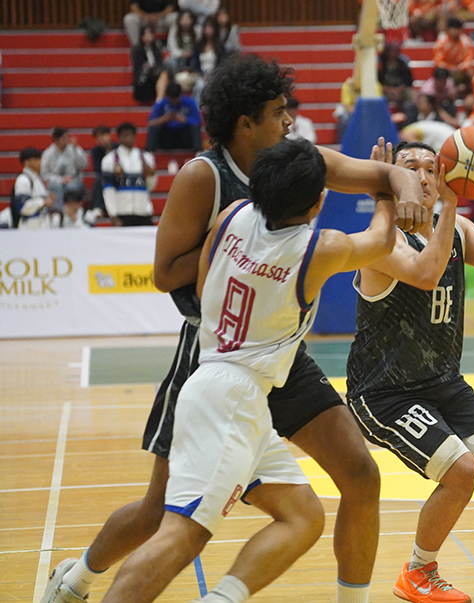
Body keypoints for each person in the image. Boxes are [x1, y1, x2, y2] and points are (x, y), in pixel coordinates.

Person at [39, 54, 429, 603]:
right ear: (245, 123)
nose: (289, 120)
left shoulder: (285, 168)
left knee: (359, 476)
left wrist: (406, 188)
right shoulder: (204, 177)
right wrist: (264, 258)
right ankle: (76, 580)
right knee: (162, 513)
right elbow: (164, 273)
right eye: (278, 111)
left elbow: (382, 172)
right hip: (213, 350)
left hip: (275, 354)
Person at [94, 139, 398, 603]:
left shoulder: (230, 215)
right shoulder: (320, 248)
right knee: (182, 534)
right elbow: (382, 240)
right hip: (235, 396)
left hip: (213, 375)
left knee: (303, 517)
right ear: (319, 202)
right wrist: (384, 191)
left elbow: (202, 285)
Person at [347, 141, 474, 603]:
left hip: (442, 381)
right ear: (392, 179)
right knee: (461, 471)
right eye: (409, 167)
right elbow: (425, 274)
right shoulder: (381, 240)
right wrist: (452, 202)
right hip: (383, 392)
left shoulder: (455, 228)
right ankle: (417, 572)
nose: (422, 176)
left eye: (430, 167)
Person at [101, 122, 156, 226]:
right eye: (125, 135)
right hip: (122, 212)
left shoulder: (146, 158)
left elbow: (151, 187)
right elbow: (108, 190)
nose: (128, 138)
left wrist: (151, 175)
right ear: (119, 137)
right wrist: (112, 215)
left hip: (143, 211)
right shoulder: (109, 160)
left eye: (131, 135)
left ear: (135, 137)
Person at [146, 82, 203, 152]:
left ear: (181, 95)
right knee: (154, 128)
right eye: (172, 98)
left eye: (176, 98)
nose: (174, 101)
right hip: (167, 136)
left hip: (183, 135)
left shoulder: (190, 102)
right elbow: (150, 123)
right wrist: (163, 119)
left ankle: (198, 151)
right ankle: (150, 152)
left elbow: (198, 121)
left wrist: (184, 120)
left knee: (195, 128)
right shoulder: (161, 103)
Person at [41, 126, 88, 211]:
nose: (66, 140)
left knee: (72, 187)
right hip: (55, 182)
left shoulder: (74, 149)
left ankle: (72, 212)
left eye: (67, 137)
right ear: (56, 139)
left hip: (73, 180)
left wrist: (76, 150)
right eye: (64, 137)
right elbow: (44, 174)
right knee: (56, 187)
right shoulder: (48, 154)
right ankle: (59, 212)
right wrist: (60, 180)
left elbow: (84, 165)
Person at [183, 16, 228, 104]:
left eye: (210, 27)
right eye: (206, 27)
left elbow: (222, 63)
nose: (208, 30)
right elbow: (195, 63)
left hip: (215, 75)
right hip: (200, 75)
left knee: (213, 86)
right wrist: (201, 74)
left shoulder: (220, 46)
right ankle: (197, 108)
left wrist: (213, 75)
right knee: (199, 86)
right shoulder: (198, 45)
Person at [12, 147, 54, 229]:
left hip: (41, 226)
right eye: (36, 159)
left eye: (40, 159)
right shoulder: (23, 180)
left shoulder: (37, 179)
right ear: (27, 162)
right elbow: (22, 206)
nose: (39, 162)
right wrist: (43, 202)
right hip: (30, 227)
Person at [131, 24, 170, 104]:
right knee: (163, 75)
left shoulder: (156, 48)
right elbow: (138, 70)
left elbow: (159, 64)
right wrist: (147, 67)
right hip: (144, 80)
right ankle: (159, 101)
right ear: (142, 36)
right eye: (147, 34)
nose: (149, 36)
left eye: (151, 34)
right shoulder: (137, 50)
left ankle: (159, 100)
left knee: (164, 74)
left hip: (155, 76)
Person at [432, 17, 474, 89]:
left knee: (470, 71)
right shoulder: (442, 40)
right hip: (445, 69)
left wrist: (460, 67)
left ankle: (468, 91)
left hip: (460, 69)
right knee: (439, 71)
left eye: (458, 29)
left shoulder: (466, 40)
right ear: (448, 29)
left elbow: (469, 59)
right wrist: (449, 67)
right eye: (454, 29)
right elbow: (437, 61)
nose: (456, 31)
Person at [88, 125, 115, 216]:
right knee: (99, 180)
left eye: (102, 136)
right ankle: (97, 207)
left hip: (120, 176)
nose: (100, 139)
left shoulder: (118, 148)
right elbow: (97, 169)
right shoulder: (96, 151)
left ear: (109, 136)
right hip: (105, 176)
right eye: (97, 137)